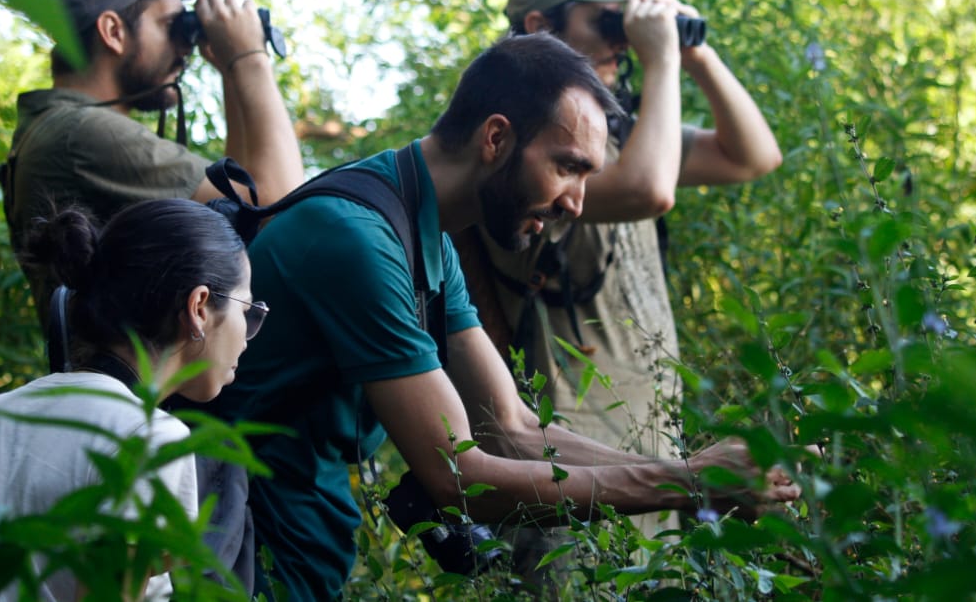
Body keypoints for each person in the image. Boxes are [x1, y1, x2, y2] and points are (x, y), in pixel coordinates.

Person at [206, 34, 799, 600]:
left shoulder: (424, 235)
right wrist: (686, 484)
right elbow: (458, 478)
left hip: (302, 552)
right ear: (495, 138)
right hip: (238, 555)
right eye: (568, 166)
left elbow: (509, 427)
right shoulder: (357, 239)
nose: (577, 202)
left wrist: (692, 474)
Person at [453, 0, 783, 587]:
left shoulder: (624, 139)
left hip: (653, 453)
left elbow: (753, 156)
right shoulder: (526, 157)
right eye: (604, 22)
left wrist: (691, 49)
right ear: (539, 30)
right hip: (567, 462)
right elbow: (647, 190)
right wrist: (660, 60)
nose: (622, 39)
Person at [0, 198, 264, 600]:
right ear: (198, 307)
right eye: (247, 309)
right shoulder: (149, 439)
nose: (248, 334)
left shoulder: (1, 411)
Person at [0, 0, 305, 327]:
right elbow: (278, 211)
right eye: (170, 26)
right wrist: (250, 58)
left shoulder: (60, 127)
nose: (184, 47)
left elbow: (233, 217)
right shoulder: (81, 135)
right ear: (113, 32)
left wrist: (230, 70)